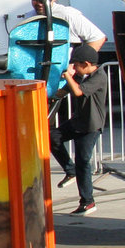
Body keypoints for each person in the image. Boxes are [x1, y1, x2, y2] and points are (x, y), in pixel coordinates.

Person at [48, 44, 107, 215]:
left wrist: (67, 75)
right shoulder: (83, 75)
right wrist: (53, 96)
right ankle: (70, 170)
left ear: (87, 63)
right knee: (52, 136)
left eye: (76, 65)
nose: (75, 68)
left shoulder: (99, 76)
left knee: (83, 160)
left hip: (91, 126)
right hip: (78, 122)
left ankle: (87, 202)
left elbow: (78, 92)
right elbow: (65, 90)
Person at [30, 0, 106, 51]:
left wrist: (80, 62)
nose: (39, 3)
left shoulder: (68, 15)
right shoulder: (28, 18)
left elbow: (98, 38)